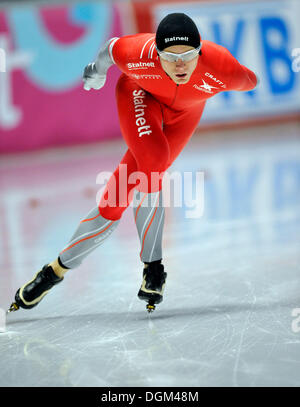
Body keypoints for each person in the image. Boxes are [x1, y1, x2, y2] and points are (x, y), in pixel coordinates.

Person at [8, 13, 257, 314]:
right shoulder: (138, 53)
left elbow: (250, 79)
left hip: (185, 115)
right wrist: (96, 71)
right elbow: (109, 50)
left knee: (116, 199)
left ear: (200, 51)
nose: (180, 65)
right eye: (170, 57)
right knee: (154, 159)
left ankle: (53, 271)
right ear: (156, 52)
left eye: (188, 56)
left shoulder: (223, 67)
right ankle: (154, 268)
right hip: (139, 97)